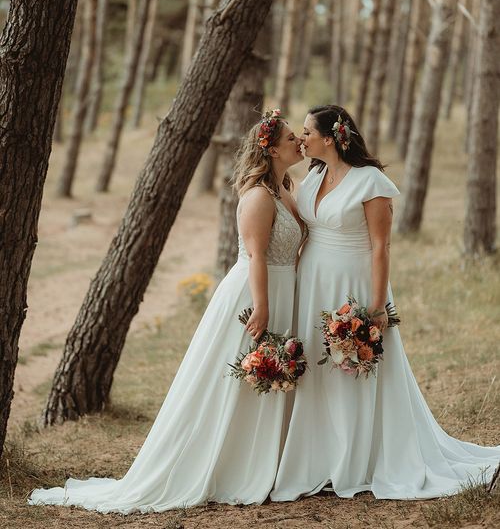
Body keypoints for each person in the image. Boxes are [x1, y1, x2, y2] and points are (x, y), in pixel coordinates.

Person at [29, 110, 305, 513]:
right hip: (255, 294)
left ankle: (263, 459)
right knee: (240, 377)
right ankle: (227, 466)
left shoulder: (284, 188)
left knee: (264, 379)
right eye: (292, 137)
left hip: (283, 289)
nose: (299, 142)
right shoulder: (259, 195)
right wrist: (262, 307)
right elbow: (255, 254)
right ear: (271, 148)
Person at [271, 104, 499, 501]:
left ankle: (361, 458)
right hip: (314, 285)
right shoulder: (312, 176)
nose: (301, 138)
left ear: (330, 137)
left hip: (355, 285)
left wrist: (376, 307)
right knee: (321, 373)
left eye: (307, 131)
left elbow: (381, 246)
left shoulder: (370, 181)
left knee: (356, 371)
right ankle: (321, 457)